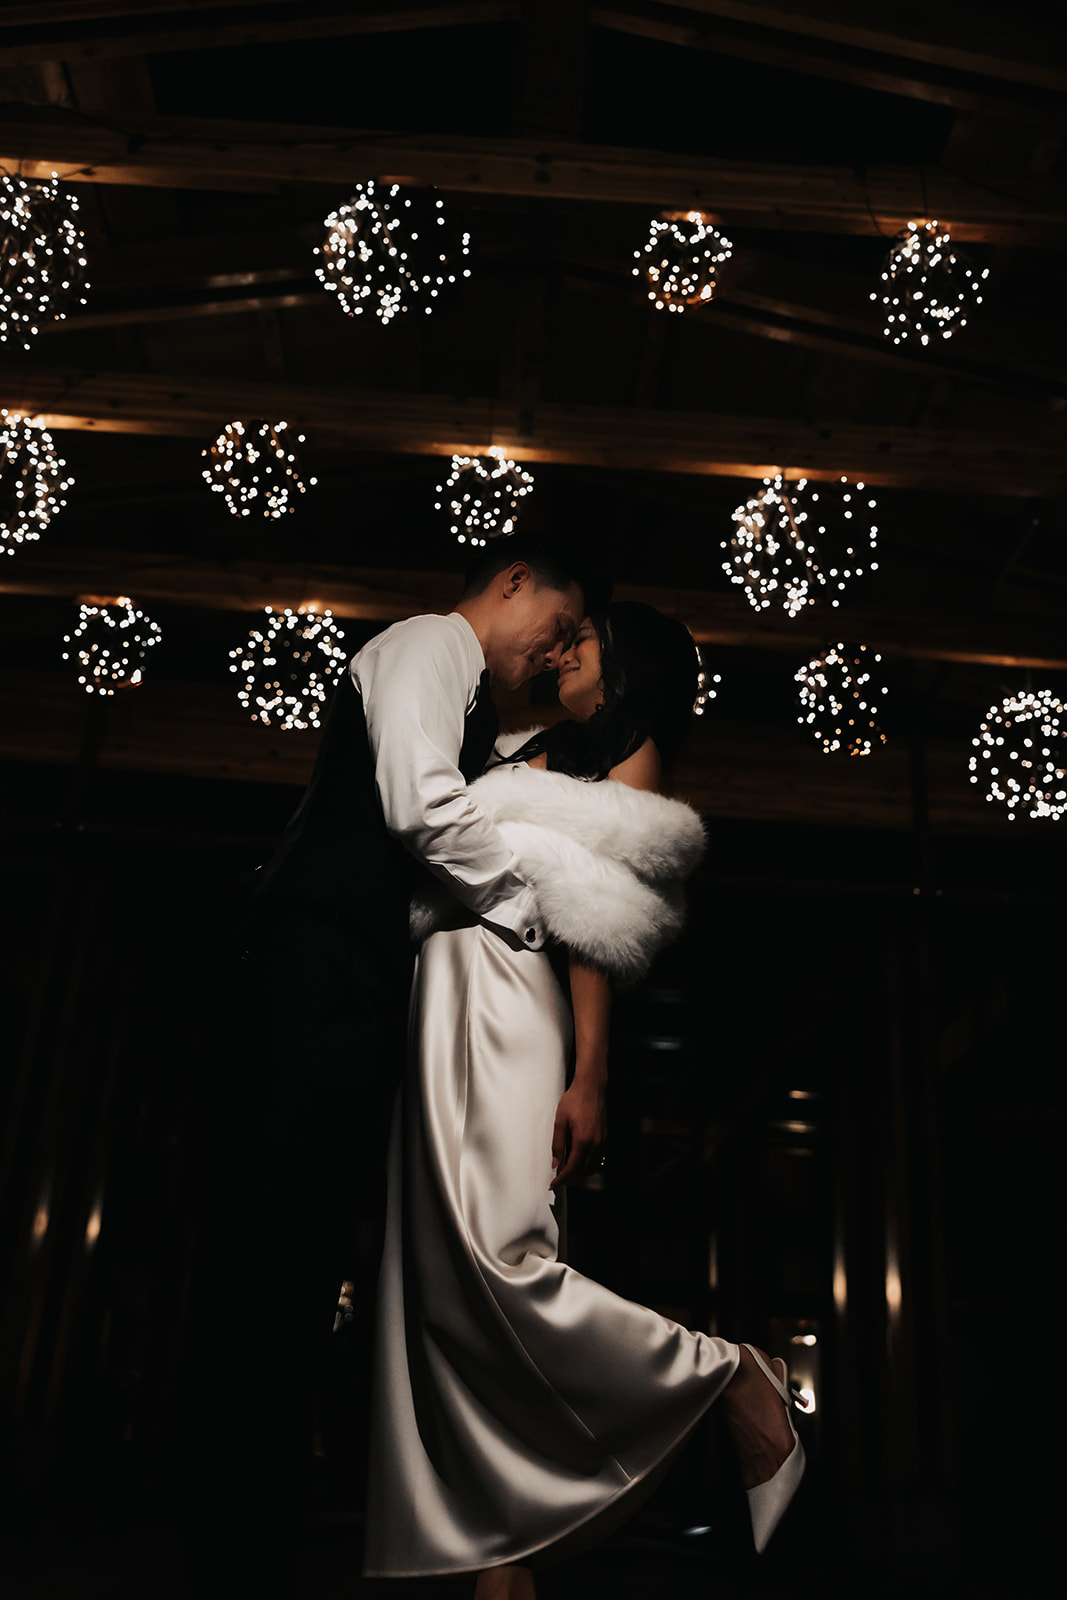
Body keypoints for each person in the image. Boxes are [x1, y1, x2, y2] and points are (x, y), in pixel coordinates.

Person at [176, 536, 595, 1586]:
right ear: (511, 582)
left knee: (305, 1254)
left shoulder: (470, 700)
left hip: (342, 985)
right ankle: (230, 1539)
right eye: (558, 626)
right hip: (308, 971)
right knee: (273, 1255)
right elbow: (417, 803)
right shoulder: (424, 646)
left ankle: (254, 1531)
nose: (555, 653)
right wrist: (531, 906)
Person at [363, 603, 805, 1594]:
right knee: (443, 1296)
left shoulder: (625, 751)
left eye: (585, 641)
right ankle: (502, 1558)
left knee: (495, 1265)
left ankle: (730, 1376)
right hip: (442, 996)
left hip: (504, 995)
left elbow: (593, 925)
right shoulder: (537, 745)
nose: (562, 649)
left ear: (624, 670)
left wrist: (590, 1073)